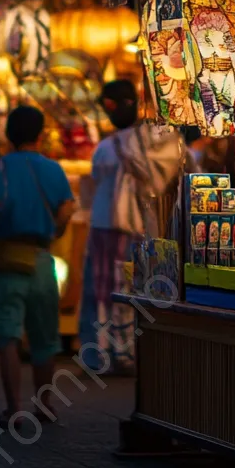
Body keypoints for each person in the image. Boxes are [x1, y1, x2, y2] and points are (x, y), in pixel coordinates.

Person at [0, 105, 75, 427]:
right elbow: (67, 207)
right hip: (43, 260)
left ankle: (13, 408)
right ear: (40, 135)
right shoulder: (53, 169)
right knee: (45, 336)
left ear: (8, 134)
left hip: (7, 260)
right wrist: (55, 230)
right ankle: (44, 405)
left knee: (8, 336)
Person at [78, 81, 183, 375]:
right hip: (137, 228)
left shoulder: (108, 147)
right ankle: (126, 353)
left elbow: (96, 180)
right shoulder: (155, 140)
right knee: (129, 292)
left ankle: (101, 354)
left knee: (102, 293)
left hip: (107, 227)